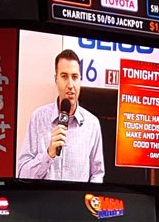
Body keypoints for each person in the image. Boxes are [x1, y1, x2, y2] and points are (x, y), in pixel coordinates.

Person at [15, 49, 105, 182]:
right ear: (56, 79)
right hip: (44, 202)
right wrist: (49, 154)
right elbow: (22, 175)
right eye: (64, 76)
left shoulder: (92, 124)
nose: (70, 85)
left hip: (76, 202)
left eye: (74, 77)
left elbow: (97, 174)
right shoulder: (38, 118)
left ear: (80, 80)